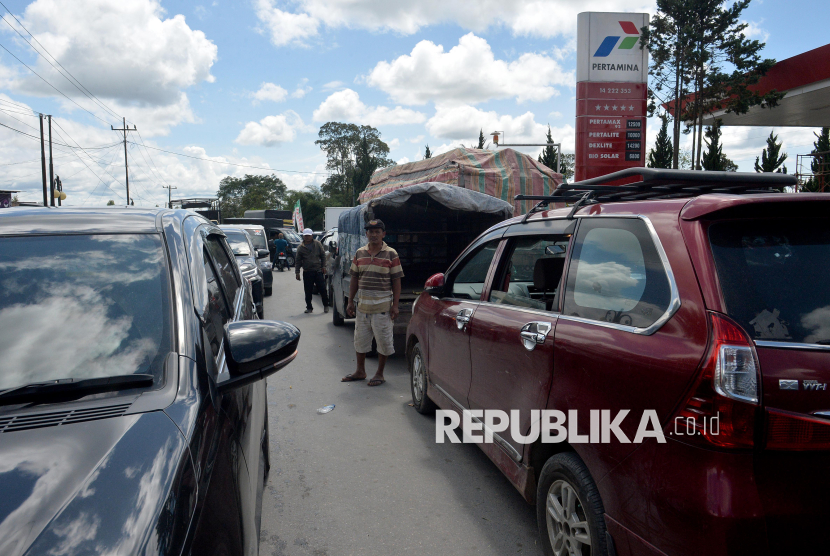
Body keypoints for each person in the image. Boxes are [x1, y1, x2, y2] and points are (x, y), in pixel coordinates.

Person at [341, 219, 403, 387]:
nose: (374, 234)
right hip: (362, 306)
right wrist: (350, 302)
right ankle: (360, 371)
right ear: (366, 234)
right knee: (360, 340)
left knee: (383, 341)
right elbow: (354, 278)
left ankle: (380, 374)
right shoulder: (360, 253)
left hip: (383, 307)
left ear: (383, 234)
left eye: (377, 231)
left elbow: (396, 281)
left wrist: (395, 305)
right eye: (371, 231)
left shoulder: (391, 254)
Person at [295, 228, 330, 313]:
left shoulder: (317, 244)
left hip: (318, 271)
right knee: (308, 291)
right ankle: (309, 307)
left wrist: (324, 266)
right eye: (305, 236)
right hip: (307, 271)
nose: (307, 237)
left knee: (322, 289)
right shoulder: (301, 248)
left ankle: (326, 305)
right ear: (303, 236)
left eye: (308, 235)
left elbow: (323, 256)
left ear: (312, 236)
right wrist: (297, 272)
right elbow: (298, 261)